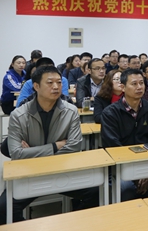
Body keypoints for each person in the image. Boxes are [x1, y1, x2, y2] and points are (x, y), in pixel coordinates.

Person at [0, 66, 99, 223]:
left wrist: (32, 152)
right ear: (36, 86)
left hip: (62, 170)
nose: (56, 86)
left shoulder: (71, 111)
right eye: (50, 82)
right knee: (3, 208)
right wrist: (55, 146)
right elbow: (17, 153)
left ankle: (76, 223)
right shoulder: (18, 115)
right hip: (29, 172)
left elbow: (74, 147)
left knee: (97, 191)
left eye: (59, 82)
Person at [101, 69, 148, 201]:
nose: (139, 87)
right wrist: (135, 173)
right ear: (123, 87)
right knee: (126, 189)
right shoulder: (110, 113)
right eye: (134, 84)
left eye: (141, 83)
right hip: (122, 167)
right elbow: (113, 147)